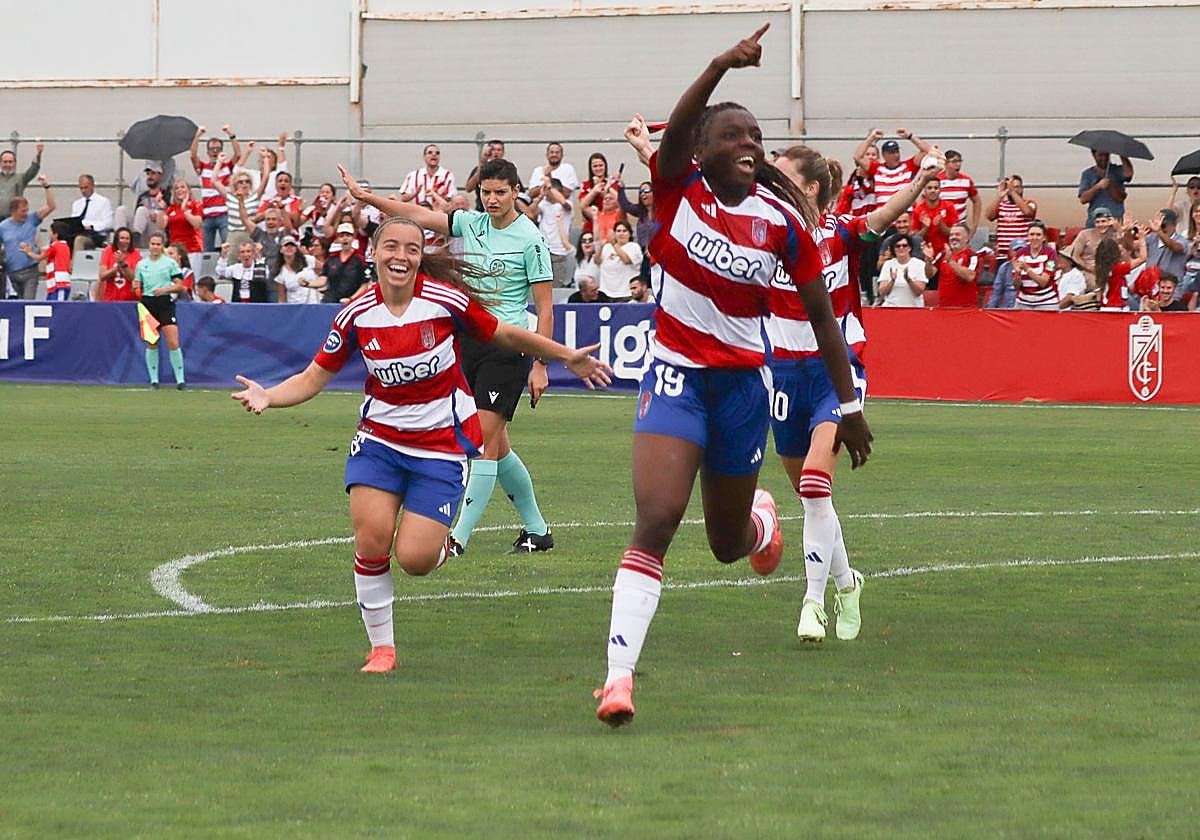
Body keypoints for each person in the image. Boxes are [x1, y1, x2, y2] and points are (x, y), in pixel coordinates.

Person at [591, 25, 872, 727]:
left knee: (723, 545)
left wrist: (851, 402)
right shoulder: (675, 190)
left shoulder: (783, 223)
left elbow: (823, 318)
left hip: (744, 389)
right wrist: (720, 64)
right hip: (677, 378)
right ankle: (618, 679)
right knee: (655, 519)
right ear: (701, 151)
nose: (748, 144)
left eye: (756, 136)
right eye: (732, 135)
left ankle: (757, 522)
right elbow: (683, 122)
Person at [230, 216, 611, 673]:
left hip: (441, 447)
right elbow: (314, 376)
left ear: (419, 257)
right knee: (371, 538)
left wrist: (561, 353)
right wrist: (269, 395)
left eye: (412, 249)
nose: (401, 256)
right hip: (379, 443)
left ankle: (440, 546)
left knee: (413, 559)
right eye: (391, 246)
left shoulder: (445, 301)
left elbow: (504, 333)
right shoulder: (355, 313)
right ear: (375, 253)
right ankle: (382, 649)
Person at [338, 158, 560, 558]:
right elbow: (416, 214)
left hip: (508, 349)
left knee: (477, 444)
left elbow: (544, 307)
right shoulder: (470, 223)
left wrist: (541, 364)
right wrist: (367, 197)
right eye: (486, 192)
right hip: (467, 341)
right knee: (498, 446)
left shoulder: (530, 240)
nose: (491, 200)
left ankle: (457, 537)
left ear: (515, 192)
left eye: (500, 192)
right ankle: (538, 531)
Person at [767, 144, 940, 644]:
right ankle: (848, 582)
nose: (773, 184)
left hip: (837, 370)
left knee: (818, 485)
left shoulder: (841, 232)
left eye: (784, 177)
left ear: (812, 188)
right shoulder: (771, 233)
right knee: (809, 495)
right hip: (783, 372)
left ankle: (811, 604)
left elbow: (884, 215)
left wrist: (922, 180)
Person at [134, 233, 187, 389]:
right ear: (149, 245)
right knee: (152, 342)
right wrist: (136, 287)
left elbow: (180, 285)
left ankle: (180, 380)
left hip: (164, 302)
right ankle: (154, 380)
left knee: (173, 341)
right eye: (153, 243)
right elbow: (137, 286)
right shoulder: (141, 264)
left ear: (162, 246)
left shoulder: (169, 263)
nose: (155, 247)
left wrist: (165, 289)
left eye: (158, 244)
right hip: (147, 303)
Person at [986, 174, 1037, 309]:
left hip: (1022, 256)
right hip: (1003, 257)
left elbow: (1028, 212)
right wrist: (1000, 195)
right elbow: (989, 215)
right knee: (1001, 288)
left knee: (1020, 287)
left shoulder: (1029, 203)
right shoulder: (1002, 205)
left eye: (1018, 187)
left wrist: (1013, 193)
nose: (1015, 189)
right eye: (1012, 187)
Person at [0, 178, 55, 299]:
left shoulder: (32, 219)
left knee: (28, 301)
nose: (26, 213)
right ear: (14, 211)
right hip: (11, 272)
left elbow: (51, 206)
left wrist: (47, 187)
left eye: (27, 210)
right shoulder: (3, 227)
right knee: (15, 305)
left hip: (30, 270)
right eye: (23, 211)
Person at [853, 127, 933, 207]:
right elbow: (857, 157)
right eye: (891, 152)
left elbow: (928, 151)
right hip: (884, 216)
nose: (896, 155)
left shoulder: (908, 166)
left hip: (905, 214)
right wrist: (871, 138)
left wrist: (910, 136)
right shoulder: (877, 168)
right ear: (884, 155)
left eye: (897, 151)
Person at [190, 124, 241, 251]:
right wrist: (197, 136)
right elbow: (192, 156)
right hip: (207, 215)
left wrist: (231, 134)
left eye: (218, 148)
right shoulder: (203, 168)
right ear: (207, 152)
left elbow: (238, 154)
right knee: (207, 251)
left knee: (228, 248)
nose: (215, 151)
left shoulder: (227, 167)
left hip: (224, 214)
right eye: (212, 149)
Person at [525, 175, 574, 287]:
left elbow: (564, 203)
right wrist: (541, 196)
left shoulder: (566, 204)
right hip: (542, 252)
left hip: (559, 252)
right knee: (540, 286)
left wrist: (549, 186)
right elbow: (531, 213)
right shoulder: (543, 204)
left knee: (556, 288)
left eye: (550, 190)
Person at [923, 224, 979, 308]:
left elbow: (970, 276)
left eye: (957, 234)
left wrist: (950, 261)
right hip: (944, 307)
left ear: (967, 239)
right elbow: (929, 274)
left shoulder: (971, 255)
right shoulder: (942, 254)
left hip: (966, 308)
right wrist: (928, 261)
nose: (953, 237)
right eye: (951, 235)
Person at [1064, 206, 1120, 288]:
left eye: (1103, 221)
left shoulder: (1113, 236)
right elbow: (1075, 256)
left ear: (1109, 222)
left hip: (1108, 271)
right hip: (1087, 270)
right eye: (1097, 222)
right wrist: (1091, 269)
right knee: (1100, 286)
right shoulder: (1085, 234)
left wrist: (1118, 229)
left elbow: (1123, 252)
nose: (1100, 225)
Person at [19, 220, 72, 301]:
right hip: (59, 285)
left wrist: (29, 252)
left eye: (50, 231)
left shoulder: (55, 246)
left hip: (58, 284)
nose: (49, 233)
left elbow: (40, 257)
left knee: (58, 308)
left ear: (56, 234)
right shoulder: (65, 246)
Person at [1012, 221, 1059, 310]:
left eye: (1038, 235)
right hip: (1023, 302)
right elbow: (1016, 286)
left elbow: (1044, 282)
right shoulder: (1020, 253)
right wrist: (1017, 274)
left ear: (1044, 237)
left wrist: (1027, 269)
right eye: (1032, 234)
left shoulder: (1051, 254)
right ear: (1028, 236)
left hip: (1046, 302)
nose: (1034, 238)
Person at [1078, 149, 1133, 226]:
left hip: (1115, 223)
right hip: (1095, 223)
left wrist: (1122, 154)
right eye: (1100, 155)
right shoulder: (1087, 174)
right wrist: (1098, 187)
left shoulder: (1117, 170)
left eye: (1106, 155)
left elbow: (1129, 174)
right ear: (1094, 155)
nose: (1104, 158)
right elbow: (1083, 199)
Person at [319, 222, 370, 304]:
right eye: (341, 236)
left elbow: (365, 284)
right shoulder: (332, 258)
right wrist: (307, 283)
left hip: (352, 302)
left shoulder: (359, 259)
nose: (345, 238)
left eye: (348, 235)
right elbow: (323, 280)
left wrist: (351, 299)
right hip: (330, 301)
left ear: (353, 238)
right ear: (338, 239)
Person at [1097, 232, 1147, 310]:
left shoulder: (1101, 267)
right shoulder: (1118, 268)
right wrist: (1142, 240)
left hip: (1105, 306)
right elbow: (1143, 258)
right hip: (1116, 307)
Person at [594, 221, 642, 300]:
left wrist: (613, 243)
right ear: (614, 233)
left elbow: (626, 260)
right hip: (606, 293)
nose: (621, 233)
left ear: (630, 234)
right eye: (618, 231)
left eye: (624, 231)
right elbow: (597, 261)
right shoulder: (607, 247)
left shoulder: (634, 247)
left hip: (626, 294)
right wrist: (601, 246)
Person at [910, 178, 956, 258]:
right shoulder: (918, 210)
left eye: (936, 188)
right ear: (924, 190)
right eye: (929, 188)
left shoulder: (949, 207)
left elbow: (955, 234)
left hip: (946, 253)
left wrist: (941, 226)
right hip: (925, 253)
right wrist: (925, 228)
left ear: (940, 190)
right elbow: (915, 238)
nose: (933, 190)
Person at [877, 234, 926, 306]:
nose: (901, 248)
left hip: (914, 309)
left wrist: (908, 279)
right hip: (891, 308)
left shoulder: (919, 264)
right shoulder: (888, 264)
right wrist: (892, 281)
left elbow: (919, 292)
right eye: (897, 246)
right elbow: (882, 292)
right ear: (893, 249)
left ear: (910, 248)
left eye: (904, 245)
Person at [938, 150, 980, 232]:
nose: (958, 164)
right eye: (954, 161)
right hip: (942, 224)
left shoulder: (966, 181)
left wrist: (974, 225)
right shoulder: (937, 180)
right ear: (945, 164)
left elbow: (977, 202)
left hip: (960, 224)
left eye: (959, 161)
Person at [94, 227, 140, 302]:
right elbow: (102, 276)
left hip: (129, 300)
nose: (125, 241)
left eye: (127, 238)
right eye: (122, 238)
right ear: (117, 239)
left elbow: (134, 278)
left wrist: (123, 265)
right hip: (110, 299)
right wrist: (116, 269)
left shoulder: (135, 254)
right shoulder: (108, 251)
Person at [0, 142, 44, 221]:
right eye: (5, 162)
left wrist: (39, 153)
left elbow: (33, 169)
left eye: (10, 162)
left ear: (14, 163)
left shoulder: (21, 178)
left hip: (13, 220)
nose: (7, 164)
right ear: (0, 163)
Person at [71, 175, 114, 251]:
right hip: (79, 233)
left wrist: (92, 226)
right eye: (81, 188)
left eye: (86, 187)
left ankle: (76, 263)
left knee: (79, 240)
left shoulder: (103, 202)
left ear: (93, 186)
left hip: (96, 235)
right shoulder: (77, 204)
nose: (83, 191)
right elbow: (73, 221)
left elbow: (108, 223)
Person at [273, 236, 321, 303]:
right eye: (286, 245)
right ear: (281, 250)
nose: (289, 248)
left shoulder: (308, 259)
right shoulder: (280, 272)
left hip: (314, 305)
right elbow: (282, 298)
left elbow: (324, 270)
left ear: (296, 249)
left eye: (292, 246)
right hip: (295, 309)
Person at [464, 139, 509, 212]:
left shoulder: (508, 170)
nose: (496, 152)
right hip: (481, 210)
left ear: (503, 153)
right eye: (493, 149)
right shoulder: (479, 168)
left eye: (499, 150)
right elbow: (468, 188)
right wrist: (482, 163)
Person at [1143, 208, 1188, 281]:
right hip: (1151, 283)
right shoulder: (1152, 237)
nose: (1161, 227)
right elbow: (1131, 247)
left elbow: (1175, 247)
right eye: (1159, 224)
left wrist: (1159, 231)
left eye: (1163, 225)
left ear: (1174, 224)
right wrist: (1127, 232)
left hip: (1171, 287)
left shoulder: (1182, 240)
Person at [164, 180, 203, 254]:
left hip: (193, 248)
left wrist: (184, 210)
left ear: (189, 191)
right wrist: (161, 209)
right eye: (176, 188)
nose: (179, 189)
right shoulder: (171, 208)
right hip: (175, 249)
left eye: (182, 187)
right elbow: (161, 226)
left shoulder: (196, 205)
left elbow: (197, 224)